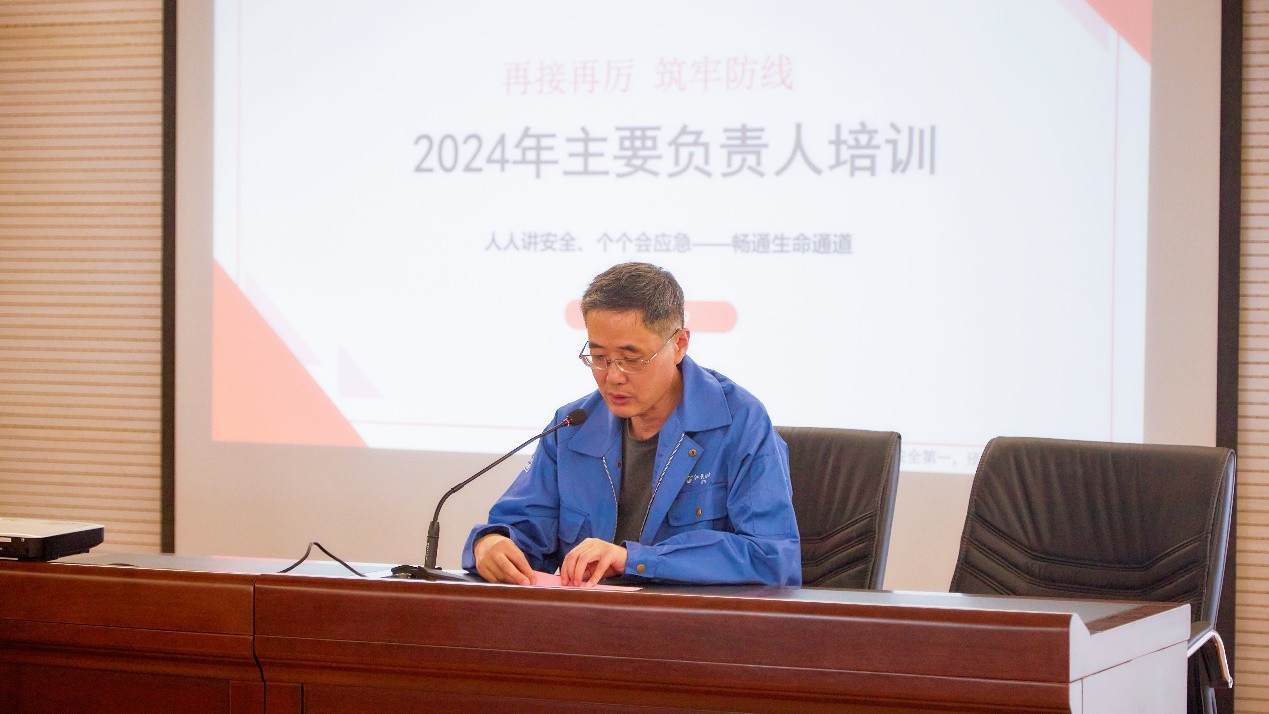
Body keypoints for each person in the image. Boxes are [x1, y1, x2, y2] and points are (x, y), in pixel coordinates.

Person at [462, 262, 800, 587]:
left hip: (690, 622)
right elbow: (523, 531)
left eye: (631, 359)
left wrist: (634, 560)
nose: (612, 377)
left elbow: (771, 557)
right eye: (599, 357)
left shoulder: (741, 423)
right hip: (587, 620)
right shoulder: (572, 426)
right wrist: (491, 543)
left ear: (679, 344)